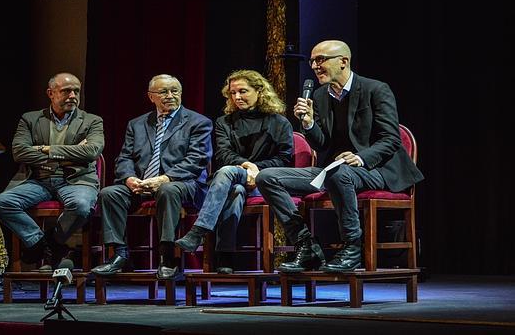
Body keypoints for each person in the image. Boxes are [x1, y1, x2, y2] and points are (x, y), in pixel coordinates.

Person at [256, 40, 424, 273]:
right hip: (336, 169)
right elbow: (322, 143)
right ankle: (306, 244)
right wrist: (309, 123)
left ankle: (352, 247)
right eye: (313, 61)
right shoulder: (320, 95)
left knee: (339, 173)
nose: (315, 66)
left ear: (343, 61)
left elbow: (391, 139)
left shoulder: (375, 89)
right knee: (266, 177)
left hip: (379, 169)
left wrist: (361, 157)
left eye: (321, 59)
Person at [92, 74, 213, 280]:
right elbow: (125, 158)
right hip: (142, 184)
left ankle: (168, 256)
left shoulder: (198, 122)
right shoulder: (137, 124)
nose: (170, 95)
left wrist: (164, 179)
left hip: (183, 184)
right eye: (163, 92)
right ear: (151, 97)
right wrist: (130, 179)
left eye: (175, 91)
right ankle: (119, 255)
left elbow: (197, 159)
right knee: (109, 193)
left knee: (167, 190)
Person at [175, 70, 293, 274]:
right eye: (232, 93)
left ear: (260, 91)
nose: (237, 97)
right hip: (229, 180)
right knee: (235, 187)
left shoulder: (279, 122)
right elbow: (223, 154)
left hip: (264, 181)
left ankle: (200, 233)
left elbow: (285, 158)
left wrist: (257, 170)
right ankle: (224, 255)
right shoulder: (224, 122)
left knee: (231, 180)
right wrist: (247, 166)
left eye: (243, 91)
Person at [0, 72, 105, 271]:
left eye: (76, 91)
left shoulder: (92, 121)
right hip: (38, 180)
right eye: (66, 91)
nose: (72, 96)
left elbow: (92, 151)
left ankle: (52, 242)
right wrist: (69, 156)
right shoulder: (30, 119)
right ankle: (41, 244)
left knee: (81, 206)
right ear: (50, 93)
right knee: (1, 203)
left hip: (76, 180)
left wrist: (46, 149)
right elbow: (19, 152)